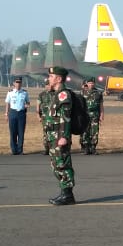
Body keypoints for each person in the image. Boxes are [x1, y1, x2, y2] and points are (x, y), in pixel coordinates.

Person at [44, 66, 77, 205]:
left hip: (59, 136)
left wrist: (64, 136)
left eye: (51, 76)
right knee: (56, 165)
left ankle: (68, 195)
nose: (49, 79)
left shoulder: (63, 94)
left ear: (58, 78)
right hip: (53, 136)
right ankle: (64, 193)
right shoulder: (56, 93)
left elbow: (66, 117)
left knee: (62, 164)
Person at [4, 77, 29, 155]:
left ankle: (20, 150)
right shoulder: (10, 92)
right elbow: (7, 103)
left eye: (20, 82)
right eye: (17, 82)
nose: (18, 84)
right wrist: (6, 114)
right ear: (14, 83)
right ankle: (14, 150)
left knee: (21, 132)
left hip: (21, 113)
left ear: (21, 83)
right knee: (13, 132)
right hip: (13, 113)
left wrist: (27, 105)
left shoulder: (24, 93)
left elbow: (28, 102)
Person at [80, 78, 104, 154]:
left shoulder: (98, 93)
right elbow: (79, 104)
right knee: (85, 131)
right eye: (90, 83)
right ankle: (86, 148)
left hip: (95, 115)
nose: (91, 84)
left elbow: (101, 105)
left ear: (94, 84)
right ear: (87, 83)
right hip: (85, 115)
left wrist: (102, 115)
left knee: (95, 131)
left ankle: (93, 147)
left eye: (92, 83)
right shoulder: (82, 92)